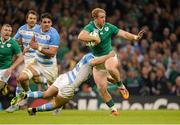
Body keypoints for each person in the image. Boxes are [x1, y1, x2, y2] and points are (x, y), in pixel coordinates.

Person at [78, 8, 145, 114]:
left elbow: (123, 34)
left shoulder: (109, 27)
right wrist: (94, 38)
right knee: (102, 89)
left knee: (110, 67)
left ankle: (120, 86)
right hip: (97, 60)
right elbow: (80, 36)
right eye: (101, 17)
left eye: (104, 17)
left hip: (110, 55)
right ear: (95, 18)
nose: (104, 19)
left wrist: (135, 37)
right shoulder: (90, 27)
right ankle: (113, 109)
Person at [11, 52, 115, 115]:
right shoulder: (93, 58)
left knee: (46, 94)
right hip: (69, 85)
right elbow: (95, 64)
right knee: (56, 104)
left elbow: (97, 74)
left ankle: (26, 94)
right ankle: (34, 110)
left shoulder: (88, 56)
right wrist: (109, 56)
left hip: (64, 77)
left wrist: (109, 79)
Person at [10, 13, 60, 112]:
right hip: (37, 62)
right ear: (40, 23)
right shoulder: (37, 30)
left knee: (52, 91)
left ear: (51, 23)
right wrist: (28, 47)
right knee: (22, 78)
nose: (46, 24)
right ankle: (27, 94)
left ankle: (58, 104)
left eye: (49, 22)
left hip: (50, 66)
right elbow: (33, 41)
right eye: (44, 22)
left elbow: (52, 53)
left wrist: (39, 47)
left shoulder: (54, 34)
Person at [6, 10, 40, 113]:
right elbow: (14, 42)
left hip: (38, 59)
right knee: (20, 80)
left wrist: (30, 46)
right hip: (26, 59)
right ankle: (17, 104)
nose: (32, 20)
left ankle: (56, 103)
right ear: (27, 19)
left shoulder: (40, 29)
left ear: (36, 20)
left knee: (41, 82)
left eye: (34, 19)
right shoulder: (22, 29)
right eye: (30, 18)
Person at [0, 24, 22, 97]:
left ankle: (3, 86)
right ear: (1, 31)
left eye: (9, 31)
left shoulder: (13, 43)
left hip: (5, 70)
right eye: (5, 30)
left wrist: (11, 68)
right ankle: (4, 87)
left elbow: (21, 57)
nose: (7, 32)